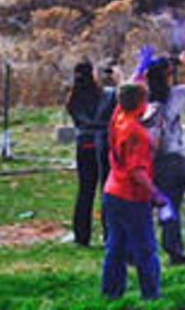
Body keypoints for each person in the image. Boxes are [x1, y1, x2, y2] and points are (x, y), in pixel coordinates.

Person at [143, 51, 185, 266]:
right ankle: (174, 249)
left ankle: (138, 250)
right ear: (169, 76)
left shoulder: (140, 100)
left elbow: (124, 88)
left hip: (147, 161)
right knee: (171, 207)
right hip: (174, 161)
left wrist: (141, 67)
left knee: (143, 208)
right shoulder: (177, 95)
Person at [101, 81, 161, 302]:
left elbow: (125, 94)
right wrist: (156, 193)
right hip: (132, 196)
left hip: (112, 191)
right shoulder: (136, 132)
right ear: (141, 103)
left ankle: (111, 292)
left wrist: (139, 70)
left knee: (115, 246)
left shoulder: (118, 118)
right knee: (145, 249)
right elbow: (136, 171)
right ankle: (150, 295)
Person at [67, 61, 116, 247]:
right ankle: (108, 233)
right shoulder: (108, 95)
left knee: (85, 192)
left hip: (83, 145)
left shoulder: (73, 100)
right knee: (107, 190)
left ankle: (81, 235)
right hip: (104, 145)